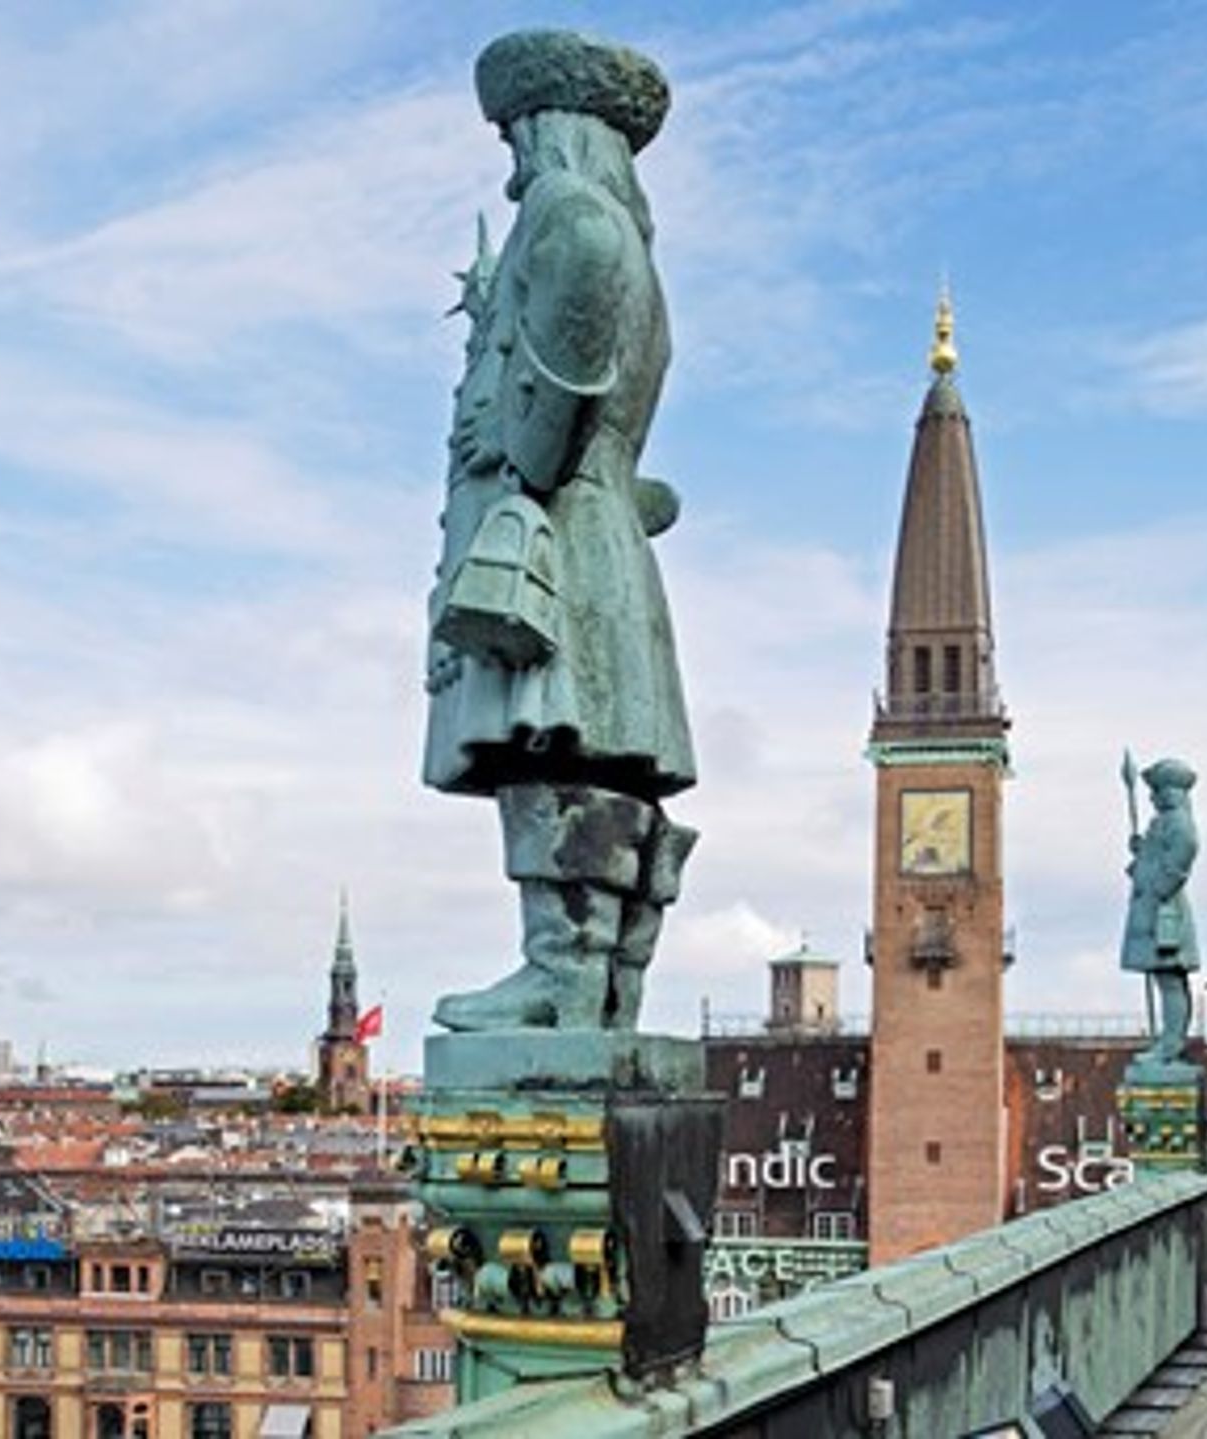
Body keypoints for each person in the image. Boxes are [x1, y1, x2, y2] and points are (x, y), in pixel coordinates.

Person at [425, 30, 696, 1033]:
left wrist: (510, 447)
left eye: (515, 139)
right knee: (610, 764)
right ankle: (610, 974)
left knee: (550, 747)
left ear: (550, 128)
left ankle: (562, 972)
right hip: (609, 530)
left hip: (558, 528)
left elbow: (558, 398)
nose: (512, 171)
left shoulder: (570, 215)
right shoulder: (639, 247)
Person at [1122, 758, 1200, 1069]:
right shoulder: (1164, 821)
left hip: (1164, 910)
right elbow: (1160, 855)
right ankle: (1170, 1041)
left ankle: (1170, 1044)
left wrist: (1155, 887)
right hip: (1158, 906)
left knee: (1170, 979)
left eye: (1157, 791)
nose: (1153, 798)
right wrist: (1142, 852)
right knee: (1166, 979)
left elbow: (1183, 855)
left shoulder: (1179, 822)